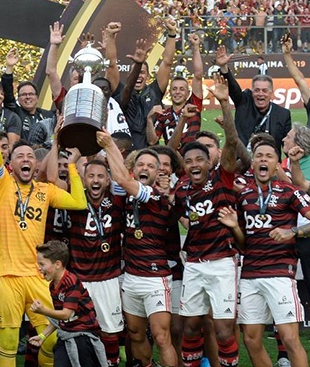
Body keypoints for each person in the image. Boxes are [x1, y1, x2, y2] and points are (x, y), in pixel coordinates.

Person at [0, 90, 87, 367]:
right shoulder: (0, 184)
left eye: (30, 156)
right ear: (11, 163)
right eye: (19, 156)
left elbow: (78, 202)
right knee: (8, 343)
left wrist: (72, 167)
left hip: (37, 275)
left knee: (50, 338)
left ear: (36, 163)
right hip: (6, 274)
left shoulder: (44, 190)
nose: (26, 159)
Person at [221, 139, 310, 367]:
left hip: (280, 274)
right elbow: (243, 244)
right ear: (253, 164)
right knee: (251, 341)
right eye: (259, 156)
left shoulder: (290, 191)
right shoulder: (243, 196)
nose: (263, 159)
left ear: (277, 164)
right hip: (250, 275)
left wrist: (293, 231)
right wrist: (235, 227)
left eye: (269, 156)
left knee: (290, 339)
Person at [172, 74, 241, 367]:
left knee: (223, 330)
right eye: (189, 161)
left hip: (222, 262)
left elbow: (233, 143)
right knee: (190, 328)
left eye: (199, 159)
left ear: (209, 162)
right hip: (193, 263)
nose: (194, 164)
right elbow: (171, 153)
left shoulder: (222, 178)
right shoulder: (182, 188)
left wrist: (224, 103)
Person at [97, 129, 177, 367]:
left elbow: (122, 179)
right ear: (134, 168)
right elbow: (118, 178)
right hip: (131, 276)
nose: (145, 168)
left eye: (151, 166)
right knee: (135, 334)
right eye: (141, 164)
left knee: (161, 337)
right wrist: (109, 153)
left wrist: (109, 145)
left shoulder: (155, 196)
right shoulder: (126, 197)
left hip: (155, 278)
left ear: (157, 173)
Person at [65, 159, 125, 366]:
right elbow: (54, 179)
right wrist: (71, 160)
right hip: (79, 280)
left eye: (100, 176)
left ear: (108, 180)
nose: (96, 180)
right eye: (91, 176)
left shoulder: (117, 202)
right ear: (83, 180)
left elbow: (124, 177)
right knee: (77, 332)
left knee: (109, 332)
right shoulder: (74, 201)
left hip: (108, 278)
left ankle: (111, 363)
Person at [29, 240, 107, 367]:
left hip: (83, 337)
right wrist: (42, 336)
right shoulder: (53, 285)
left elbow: (66, 314)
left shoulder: (71, 282)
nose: (39, 268)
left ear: (57, 264)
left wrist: (42, 310)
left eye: (42, 264)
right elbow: (59, 318)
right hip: (65, 336)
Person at [216, 45, 291, 154]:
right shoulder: (244, 102)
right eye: (257, 90)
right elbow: (233, 88)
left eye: (264, 90)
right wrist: (223, 67)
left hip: (271, 163)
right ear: (252, 92)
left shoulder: (283, 115)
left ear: (271, 93)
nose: (260, 94)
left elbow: (288, 147)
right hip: (241, 162)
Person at [117, 19, 178, 150]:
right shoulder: (124, 94)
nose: (139, 76)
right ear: (129, 76)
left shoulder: (155, 91)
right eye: (135, 73)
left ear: (148, 76)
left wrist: (172, 33)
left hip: (152, 152)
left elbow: (167, 62)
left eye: (142, 72)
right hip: (129, 153)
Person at [146, 33, 204, 150]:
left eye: (182, 89)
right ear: (169, 93)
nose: (177, 92)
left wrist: (195, 48)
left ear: (188, 93)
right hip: (172, 158)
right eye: (174, 89)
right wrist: (149, 120)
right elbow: (152, 141)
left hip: (190, 156)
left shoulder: (193, 106)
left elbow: (198, 75)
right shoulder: (164, 115)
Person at [1, 48, 54, 140]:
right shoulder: (16, 113)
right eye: (24, 94)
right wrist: (9, 67)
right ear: (18, 99)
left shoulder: (48, 115)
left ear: (37, 97)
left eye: (31, 94)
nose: (28, 97)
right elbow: (7, 93)